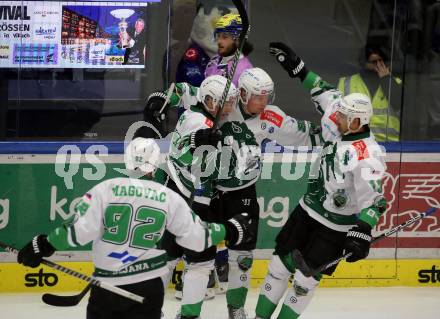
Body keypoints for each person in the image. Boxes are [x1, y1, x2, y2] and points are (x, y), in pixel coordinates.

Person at [16, 137, 254, 319]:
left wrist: (43, 244)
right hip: (149, 288)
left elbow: (76, 232)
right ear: (155, 163)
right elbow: (197, 238)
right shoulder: (167, 196)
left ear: (127, 160)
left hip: (107, 287)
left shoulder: (105, 189)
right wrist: (231, 229)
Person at [251, 42, 388, 319]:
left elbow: (374, 202)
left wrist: (362, 230)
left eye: (343, 116)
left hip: (335, 228)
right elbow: (323, 90)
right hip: (307, 209)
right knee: (278, 266)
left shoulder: (368, 155)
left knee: (305, 282)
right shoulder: (342, 114)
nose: (335, 116)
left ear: (357, 122)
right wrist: (299, 70)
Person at [337, 45, 402, 141]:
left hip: (389, 144)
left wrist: (386, 80)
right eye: (374, 62)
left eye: (381, 61)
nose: (378, 65)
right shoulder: (345, 83)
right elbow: (337, 114)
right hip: (356, 141)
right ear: (363, 63)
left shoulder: (395, 82)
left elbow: (400, 107)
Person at [204, 13, 253, 87]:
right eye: (219, 36)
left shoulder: (244, 73)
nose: (219, 41)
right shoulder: (216, 58)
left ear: (238, 40)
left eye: (225, 37)